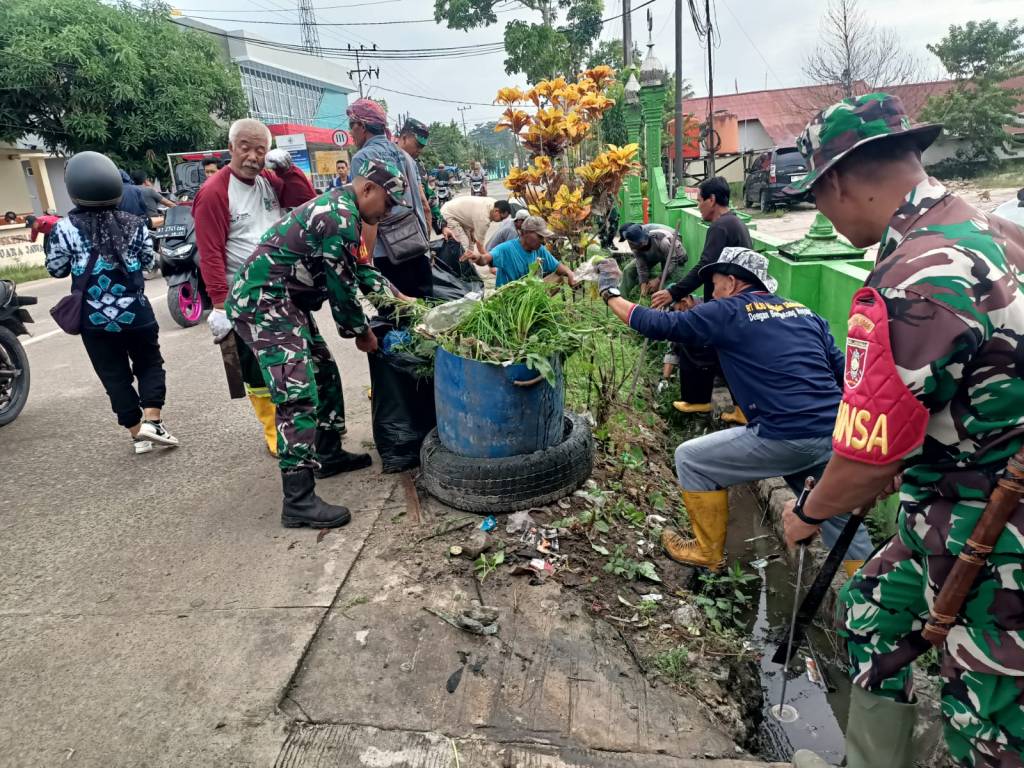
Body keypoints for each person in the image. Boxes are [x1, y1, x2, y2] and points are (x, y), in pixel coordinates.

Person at [777, 94, 1024, 768]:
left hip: (995, 531)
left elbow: (869, 462)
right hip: (947, 508)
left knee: (989, 722)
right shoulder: (987, 227)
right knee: (870, 613)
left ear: (838, 180)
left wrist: (808, 511)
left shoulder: (916, 276)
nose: (821, 209)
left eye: (816, 194)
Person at [597, 248, 872, 572]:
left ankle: (707, 551)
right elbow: (848, 376)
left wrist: (609, 292)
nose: (711, 294)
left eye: (714, 285)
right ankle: (871, 597)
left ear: (731, 280)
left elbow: (656, 323)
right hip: (834, 433)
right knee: (838, 519)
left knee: (691, 459)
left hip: (785, 435)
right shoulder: (805, 312)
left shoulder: (728, 311)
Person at [225, 159, 404, 529]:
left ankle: (327, 452)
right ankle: (298, 500)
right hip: (264, 302)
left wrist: (403, 302)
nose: (387, 213)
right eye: (388, 203)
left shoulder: (347, 212)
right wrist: (362, 333)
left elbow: (362, 270)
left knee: (323, 370)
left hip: (285, 301)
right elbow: (342, 290)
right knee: (297, 392)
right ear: (368, 189)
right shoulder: (338, 217)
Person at [192, 118, 326, 459]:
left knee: (298, 363)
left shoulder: (268, 180)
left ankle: (306, 427)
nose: (252, 156)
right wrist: (220, 305)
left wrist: (289, 171)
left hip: (285, 289)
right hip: (247, 297)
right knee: (258, 371)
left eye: (260, 150)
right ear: (231, 148)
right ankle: (274, 433)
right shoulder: (214, 193)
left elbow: (306, 203)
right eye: (245, 148)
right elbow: (210, 253)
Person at [44, 151, 178, 455]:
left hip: (94, 320)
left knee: (113, 374)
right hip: (136, 313)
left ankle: (137, 435)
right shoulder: (136, 224)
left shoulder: (63, 229)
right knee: (149, 363)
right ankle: (153, 421)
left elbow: (56, 268)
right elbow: (147, 262)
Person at [652, 177, 752, 420]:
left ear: (712, 200)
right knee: (724, 354)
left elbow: (705, 265)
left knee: (691, 338)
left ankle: (698, 400)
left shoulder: (720, 227)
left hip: (726, 302)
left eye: (699, 200)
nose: (698, 206)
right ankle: (731, 406)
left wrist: (673, 292)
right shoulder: (736, 224)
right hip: (735, 301)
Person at [348, 100, 433, 298]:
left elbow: (369, 216)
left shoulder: (362, 158)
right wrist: (427, 249)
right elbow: (424, 206)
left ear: (362, 126)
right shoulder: (405, 156)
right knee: (427, 313)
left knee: (397, 318)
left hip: (388, 254)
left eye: (351, 126)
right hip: (418, 247)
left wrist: (366, 263)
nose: (351, 133)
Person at [467, 215, 575, 287]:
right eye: (539, 236)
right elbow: (485, 259)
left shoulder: (540, 250)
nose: (543, 241)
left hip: (529, 301)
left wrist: (570, 273)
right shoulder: (506, 249)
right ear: (524, 232)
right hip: (508, 301)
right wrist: (478, 257)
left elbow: (557, 266)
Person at [618, 222, 687, 298]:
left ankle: (668, 305)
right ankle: (620, 299)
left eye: (635, 245)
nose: (631, 247)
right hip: (654, 250)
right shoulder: (634, 242)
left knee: (668, 285)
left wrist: (658, 280)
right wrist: (643, 283)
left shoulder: (663, 240)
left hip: (671, 251)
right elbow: (641, 265)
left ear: (642, 241)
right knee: (629, 270)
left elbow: (672, 261)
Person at [440, 194, 498, 259]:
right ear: (496, 211)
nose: (503, 219)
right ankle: (458, 266)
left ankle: (468, 266)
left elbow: (473, 215)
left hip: (459, 213)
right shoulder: (484, 219)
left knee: (471, 245)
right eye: (501, 217)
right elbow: (480, 247)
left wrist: (472, 231)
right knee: (463, 244)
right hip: (448, 214)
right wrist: (490, 262)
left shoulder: (495, 204)